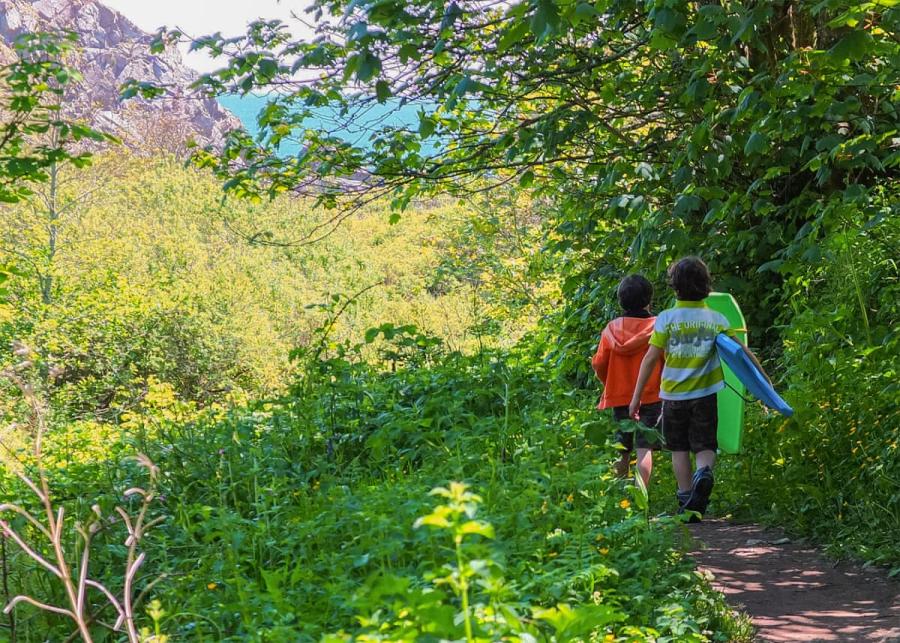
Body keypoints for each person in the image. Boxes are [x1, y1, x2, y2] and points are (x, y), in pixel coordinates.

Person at [628, 257, 768, 520]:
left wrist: (636, 397)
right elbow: (742, 353)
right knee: (705, 446)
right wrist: (764, 382)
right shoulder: (716, 318)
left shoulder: (666, 319)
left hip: (673, 396)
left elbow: (649, 359)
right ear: (706, 285)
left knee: (678, 449)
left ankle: (686, 499)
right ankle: (703, 473)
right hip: (705, 394)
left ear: (675, 287)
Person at [592, 274, 663, 488]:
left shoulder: (611, 330)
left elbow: (598, 364)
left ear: (621, 301)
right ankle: (642, 495)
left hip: (621, 397)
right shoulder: (659, 327)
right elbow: (666, 359)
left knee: (622, 447)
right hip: (652, 395)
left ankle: (619, 492)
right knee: (645, 448)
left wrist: (611, 384)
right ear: (649, 299)